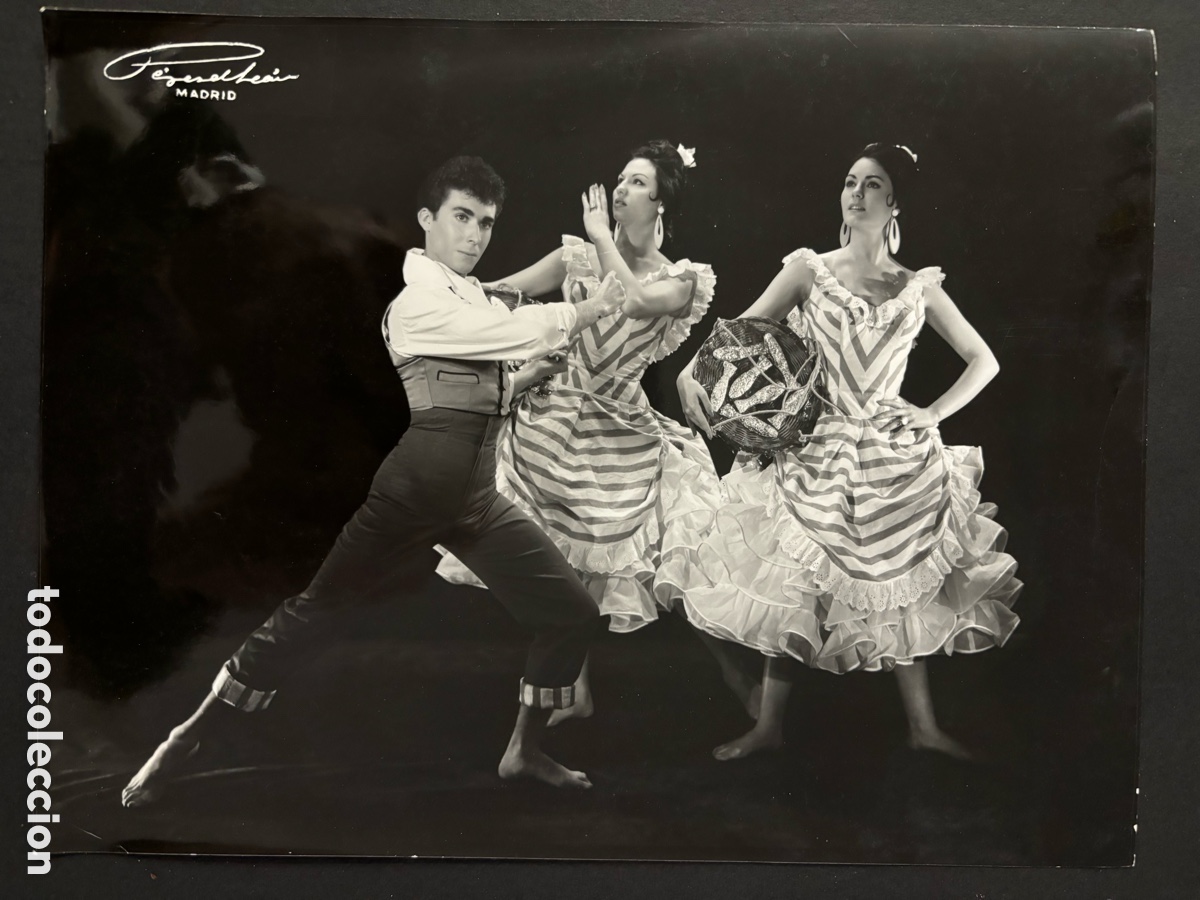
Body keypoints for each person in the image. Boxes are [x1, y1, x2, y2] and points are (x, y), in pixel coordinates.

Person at [121, 156, 627, 805]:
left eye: (486, 223)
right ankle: (187, 737)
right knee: (311, 615)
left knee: (572, 613)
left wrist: (518, 381)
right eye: (462, 218)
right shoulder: (417, 297)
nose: (474, 235)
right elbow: (497, 335)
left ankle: (524, 751)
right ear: (427, 221)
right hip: (412, 493)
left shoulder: (468, 292)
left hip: (473, 498)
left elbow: (469, 383)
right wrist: (589, 311)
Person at [676, 143, 1022, 761]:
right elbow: (742, 331)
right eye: (849, 182)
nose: (855, 194)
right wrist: (688, 374)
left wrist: (931, 413)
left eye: (872, 184)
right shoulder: (810, 269)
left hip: (892, 451)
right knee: (793, 586)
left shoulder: (917, 287)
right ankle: (768, 726)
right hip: (816, 444)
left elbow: (984, 360)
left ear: (895, 203)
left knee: (901, 583)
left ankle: (923, 728)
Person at [435, 140, 732, 725]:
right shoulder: (574, 256)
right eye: (620, 177)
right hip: (554, 420)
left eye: (638, 183)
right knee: (566, 569)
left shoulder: (684, 278)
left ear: (662, 202)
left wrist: (600, 237)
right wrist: (458, 291)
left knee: (631, 566)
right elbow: (502, 290)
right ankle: (574, 693)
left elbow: (642, 300)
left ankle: (738, 682)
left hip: (620, 432)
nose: (621, 188)